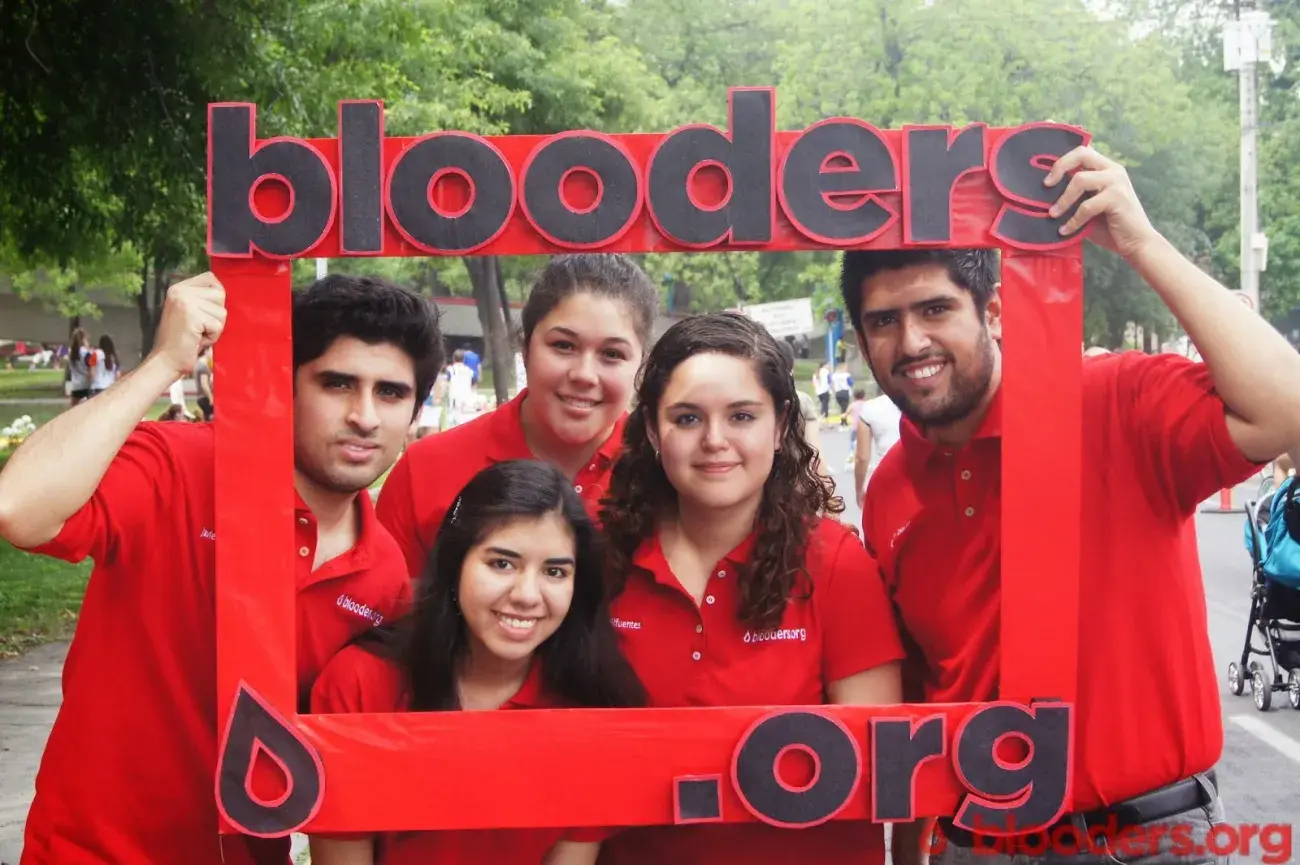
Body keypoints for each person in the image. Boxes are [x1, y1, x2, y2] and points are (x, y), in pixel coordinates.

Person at [842, 145, 1300, 865]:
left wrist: (1142, 244)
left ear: (994, 311)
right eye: (883, 321)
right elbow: (922, 695)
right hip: (974, 845)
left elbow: (1287, 409)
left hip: (1147, 838)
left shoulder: (1114, 402)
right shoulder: (891, 490)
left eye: (935, 309)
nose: (912, 341)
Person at [0, 272, 444, 865]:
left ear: (415, 411)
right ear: (285, 385)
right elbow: (19, 510)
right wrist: (163, 364)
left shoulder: (382, 573)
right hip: (92, 851)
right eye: (337, 383)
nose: (364, 416)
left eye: (390, 393)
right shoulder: (182, 464)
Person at [594, 312, 905, 865]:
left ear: (780, 425)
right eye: (687, 418)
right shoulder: (601, 558)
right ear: (652, 431)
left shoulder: (835, 563)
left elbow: (876, 760)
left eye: (741, 416)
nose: (715, 441)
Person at [309, 459, 645, 865]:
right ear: (455, 565)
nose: (527, 595)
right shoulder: (360, 684)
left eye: (555, 572)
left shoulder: (590, 705)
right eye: (502, 563)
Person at [377, 253, 659, 580]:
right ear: (525, 350)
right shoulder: (425, 470)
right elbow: (386, 606)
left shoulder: (668, 475)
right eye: (563, 346)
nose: (584, 375)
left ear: (641, 367)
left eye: (612, 354)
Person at [853, 389, 902, 506]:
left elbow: (862, 458)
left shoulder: (870, 408)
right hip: (926, 481)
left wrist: (859, 491)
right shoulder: (927, 402)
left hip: (889, 481)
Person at [194, 345, 215, 420]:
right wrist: (211, 398)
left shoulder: (198, 364)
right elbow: (204, 385)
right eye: (212, 351)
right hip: (205, 398)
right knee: (211, 419)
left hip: (201, 397)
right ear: (206, 351)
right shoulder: (203, 367)